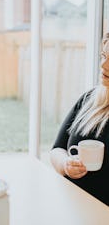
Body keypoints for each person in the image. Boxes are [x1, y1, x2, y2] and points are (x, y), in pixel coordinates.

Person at [50, 32, 109, 206]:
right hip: (72, 207)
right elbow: (57, 149)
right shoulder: (88, 100)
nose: (103, 65)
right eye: (104, 56)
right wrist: (66, 164)